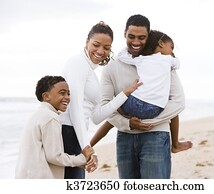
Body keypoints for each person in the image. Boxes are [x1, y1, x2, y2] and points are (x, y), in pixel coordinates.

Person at [89, 14, 186, 179]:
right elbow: (105, 106)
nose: (136, 42)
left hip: (156, 135)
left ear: (149, 36)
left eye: (142, 37)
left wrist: (145, 123)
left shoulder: (162, 62)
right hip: (125, 137)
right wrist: (128, 124)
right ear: (124, 34)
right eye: (131, 36)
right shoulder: (112, 67)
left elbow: (178, 102)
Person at [61, 21, 141, 179]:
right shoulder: (78, 63)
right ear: (87, 42)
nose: (100, 51)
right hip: (67, 133)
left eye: (106, 47)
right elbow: (75, 107)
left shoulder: (90, 72)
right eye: (96, 44)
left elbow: (96, 117)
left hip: (76, 134)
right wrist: (86, 146)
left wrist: (124, 94)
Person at [15, 75, 95, 179]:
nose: (67, 97)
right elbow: (55, 157)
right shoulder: (51, 118)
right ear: (46, 96)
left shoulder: (38, 114)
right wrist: (82, 158)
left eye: (68, 93)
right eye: (62, 93)